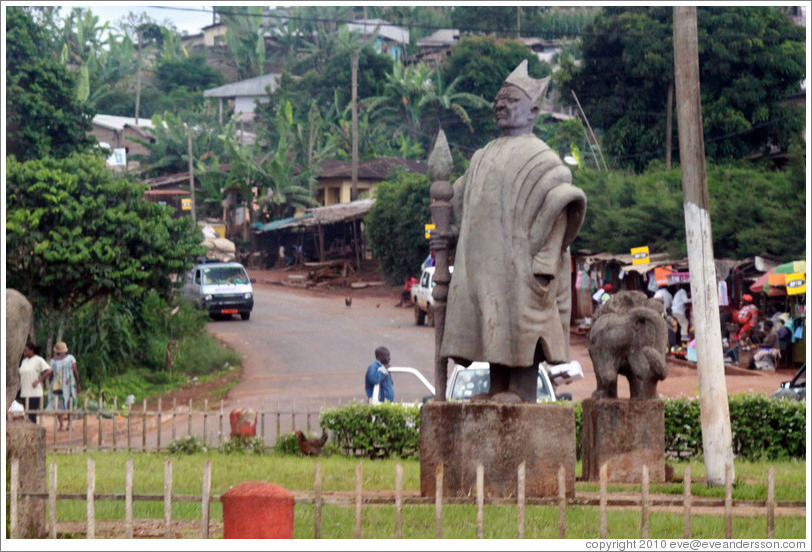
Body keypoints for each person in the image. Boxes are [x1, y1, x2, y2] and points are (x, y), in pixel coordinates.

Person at [438, 60, 587, 403]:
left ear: (533, 109)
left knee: (521, 327)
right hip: (486, 266)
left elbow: (562, 204)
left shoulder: (544, 158)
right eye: (498, 101)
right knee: (492, 324)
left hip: (525, 266)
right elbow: (461, 198)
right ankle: (496, 386)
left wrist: (546, 260)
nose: (501, 106)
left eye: (510, 100)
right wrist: (445, 229)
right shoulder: (483, 155)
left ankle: (521, 389)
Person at [45, 341, 80, 431]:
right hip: (69, 385)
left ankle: (61, 425)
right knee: (70, 403)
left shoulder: (53, 361)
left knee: (58, 405)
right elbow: (75, 371)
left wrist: (50, 383)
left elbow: (51, 374)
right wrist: (78, 384)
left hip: (57, 386)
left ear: (56, 351)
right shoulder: (70, 358)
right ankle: (69, 424)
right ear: (65, 350)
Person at [18, 341, 50, 423]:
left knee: (32, 414)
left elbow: (48, 371)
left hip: (34, 392)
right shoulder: (24, 361)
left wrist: (39, 381)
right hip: (24, 392)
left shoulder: (38, 360)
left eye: (26, 350)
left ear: (32, 350)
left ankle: (34, 431)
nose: (24, 352)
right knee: (27, 413)